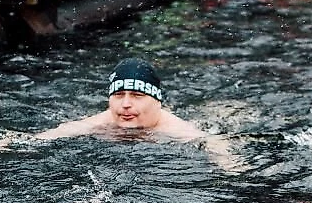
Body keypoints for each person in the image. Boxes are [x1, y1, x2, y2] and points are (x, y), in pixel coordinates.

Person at [37, 57, 208, 141]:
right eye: (119, 95)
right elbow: (45, 138)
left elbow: (216, 147)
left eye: (137, 96)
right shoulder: (102, 121)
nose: (125, 104)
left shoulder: (178, 131)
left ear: (157, 101)